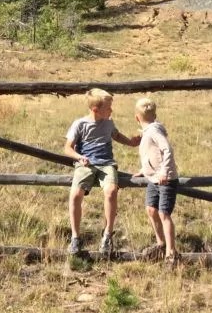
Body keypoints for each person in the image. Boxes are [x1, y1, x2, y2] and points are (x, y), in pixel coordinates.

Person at [64, 88, 139, 256]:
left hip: (106, 163)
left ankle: (107, 235)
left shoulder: (109, 123)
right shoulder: (80, 124)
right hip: (86, 163)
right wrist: (79, 157)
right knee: (76, 194)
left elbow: (117, 136)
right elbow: (67, 148)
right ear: (95, 109)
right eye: (108, 108)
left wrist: (131, 143)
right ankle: (75, 237)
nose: (111, 111)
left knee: (111, 191)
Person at [136, 96, 180, 265]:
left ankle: (171, 253)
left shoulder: (154, 131)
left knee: (164, 213)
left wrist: (164, 171)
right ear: (154, 115)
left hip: (165, 179)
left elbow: (167, 149)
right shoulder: (149, 132)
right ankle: (161, 243)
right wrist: (144, 170)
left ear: (136, 118)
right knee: (151, 210)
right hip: (153, 178)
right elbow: (151, 153)